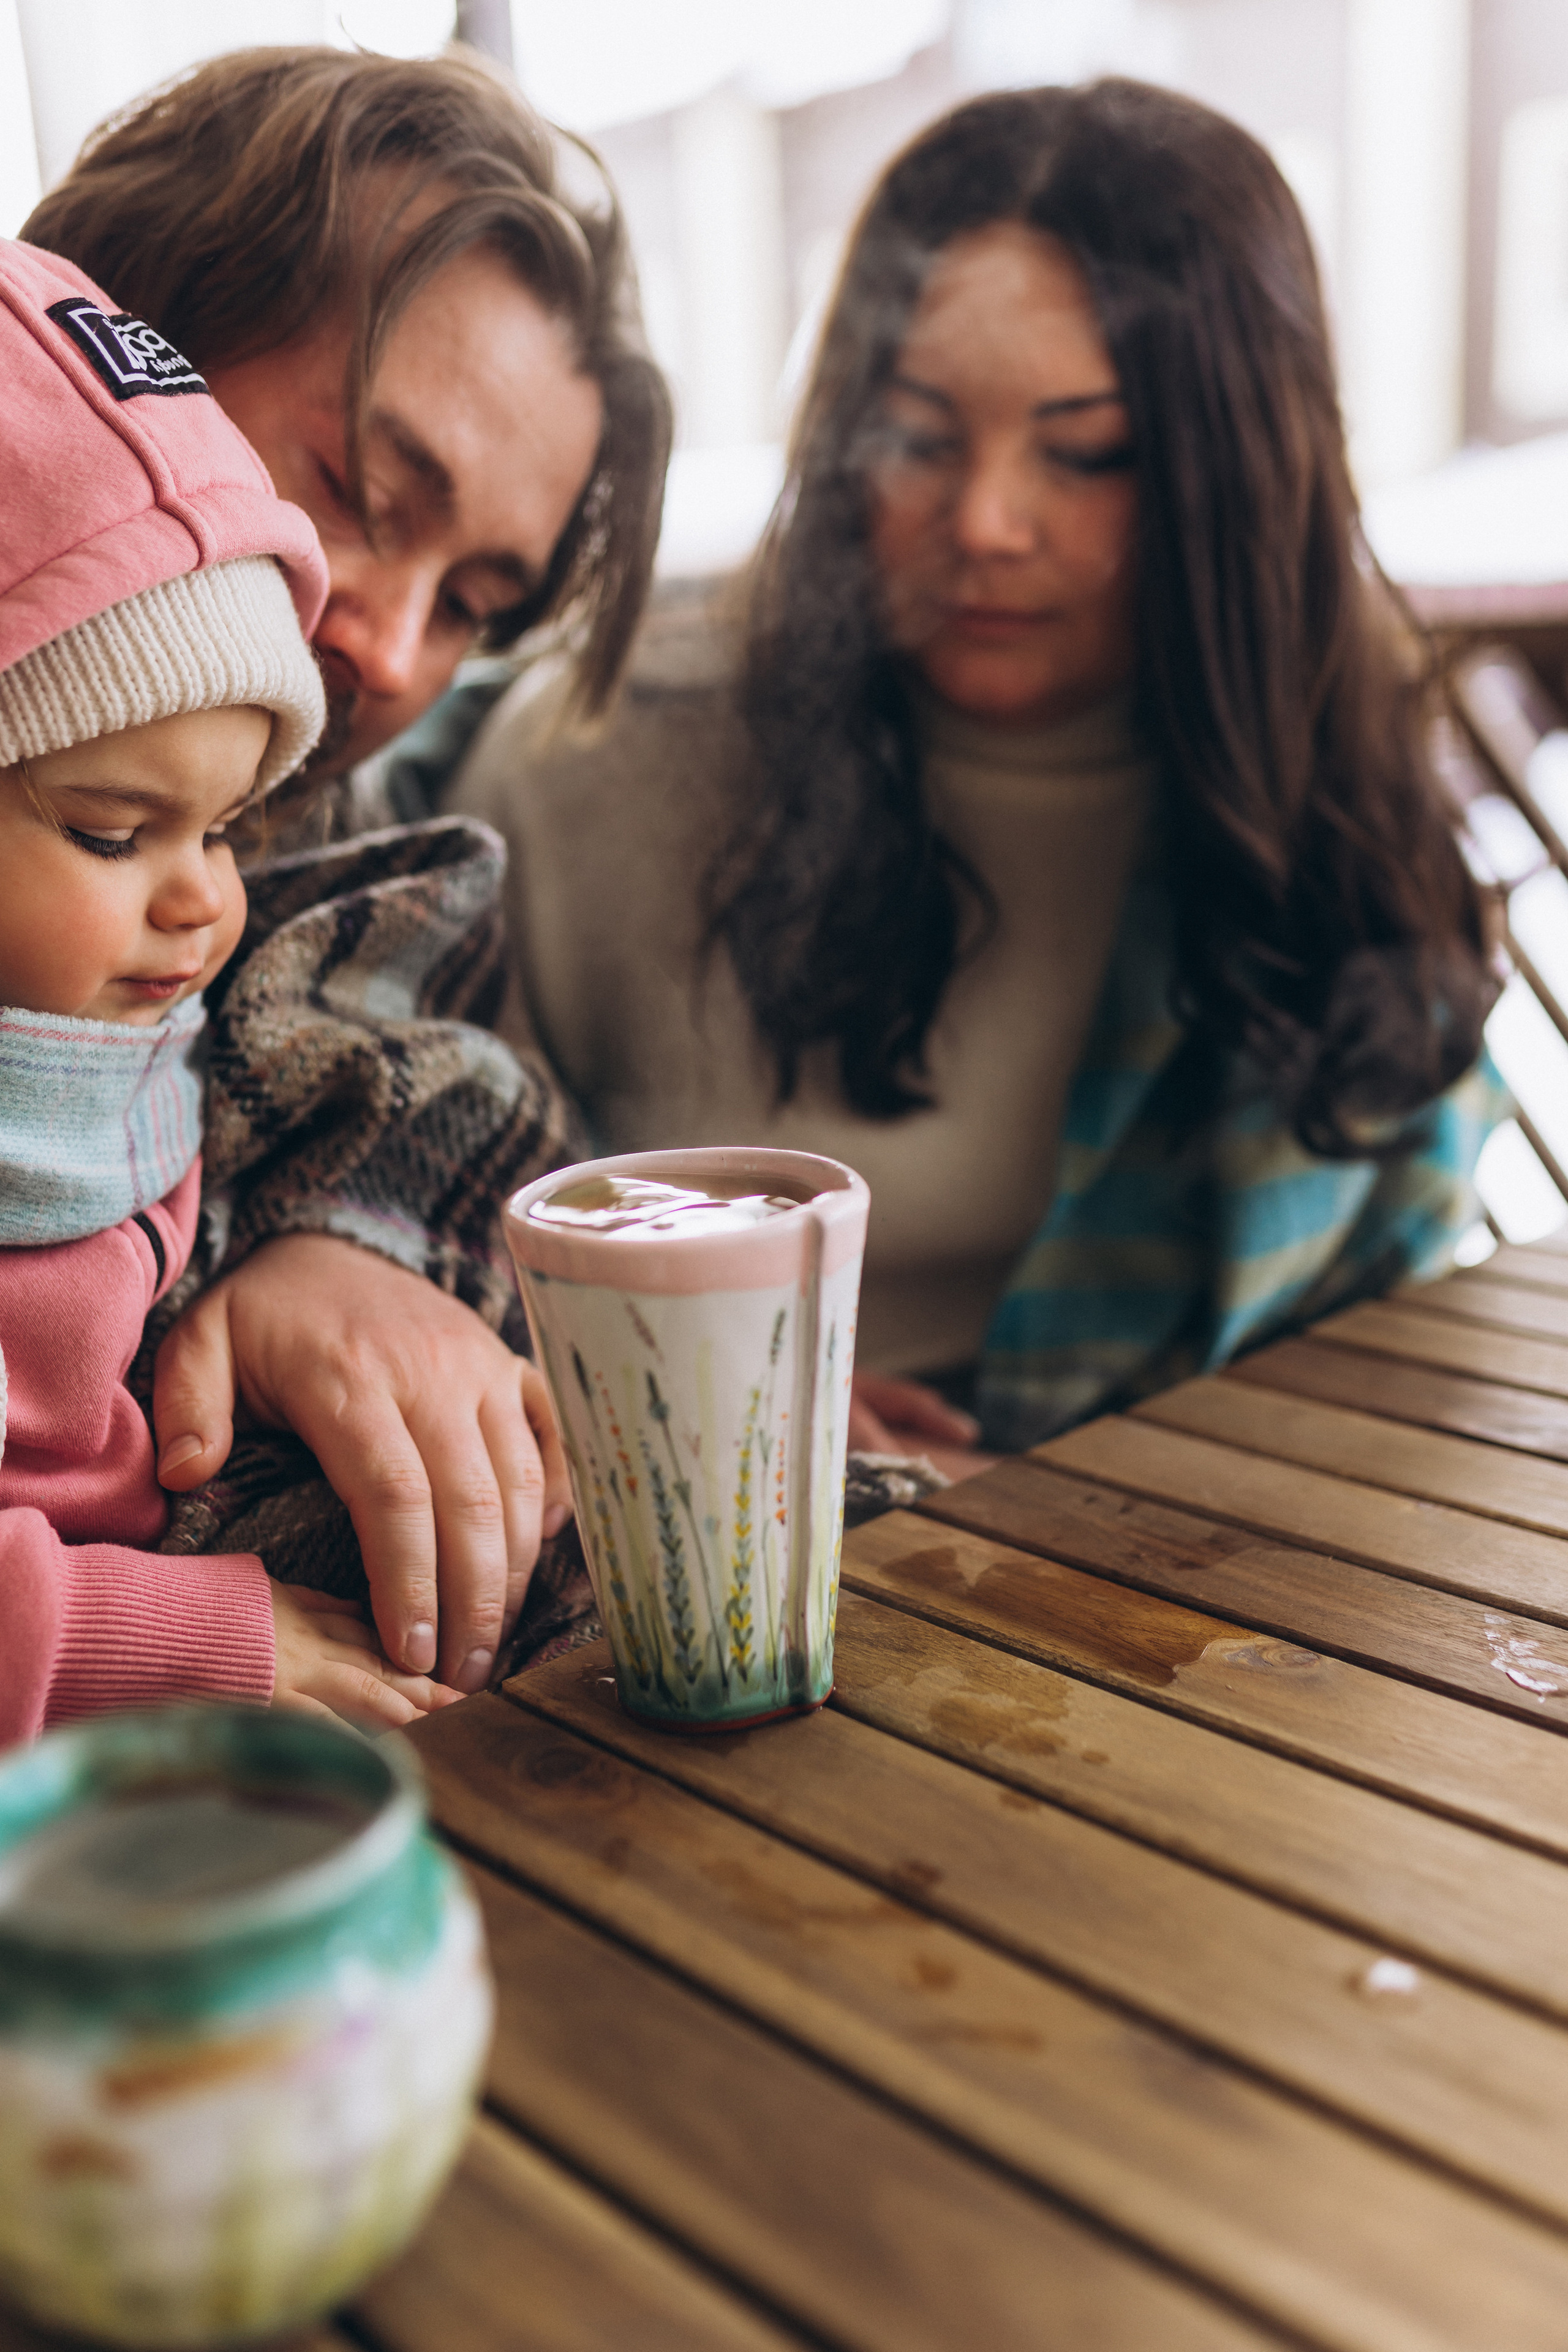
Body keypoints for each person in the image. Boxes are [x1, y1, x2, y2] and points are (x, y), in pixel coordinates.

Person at [447, 78, 1505, 1461]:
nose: (986, 521)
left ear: (1237, 475)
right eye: (919, 437)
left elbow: (1400, 1338)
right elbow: (419, 1243)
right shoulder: (611, 751)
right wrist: (736, 1429)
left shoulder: (1311, 791)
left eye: (1086, 453)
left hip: (1195, 1555)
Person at [23, 45, 673, 1687]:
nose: (385, 646)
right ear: (114, 345)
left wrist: (365, 1229)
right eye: (359, 492)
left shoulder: (358, 899)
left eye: (474, 604)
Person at [0, 238, 477, 1738]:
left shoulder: (126, 1041)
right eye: (108, 831)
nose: (207, 896)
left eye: (223, 827)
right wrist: (145, 1636)